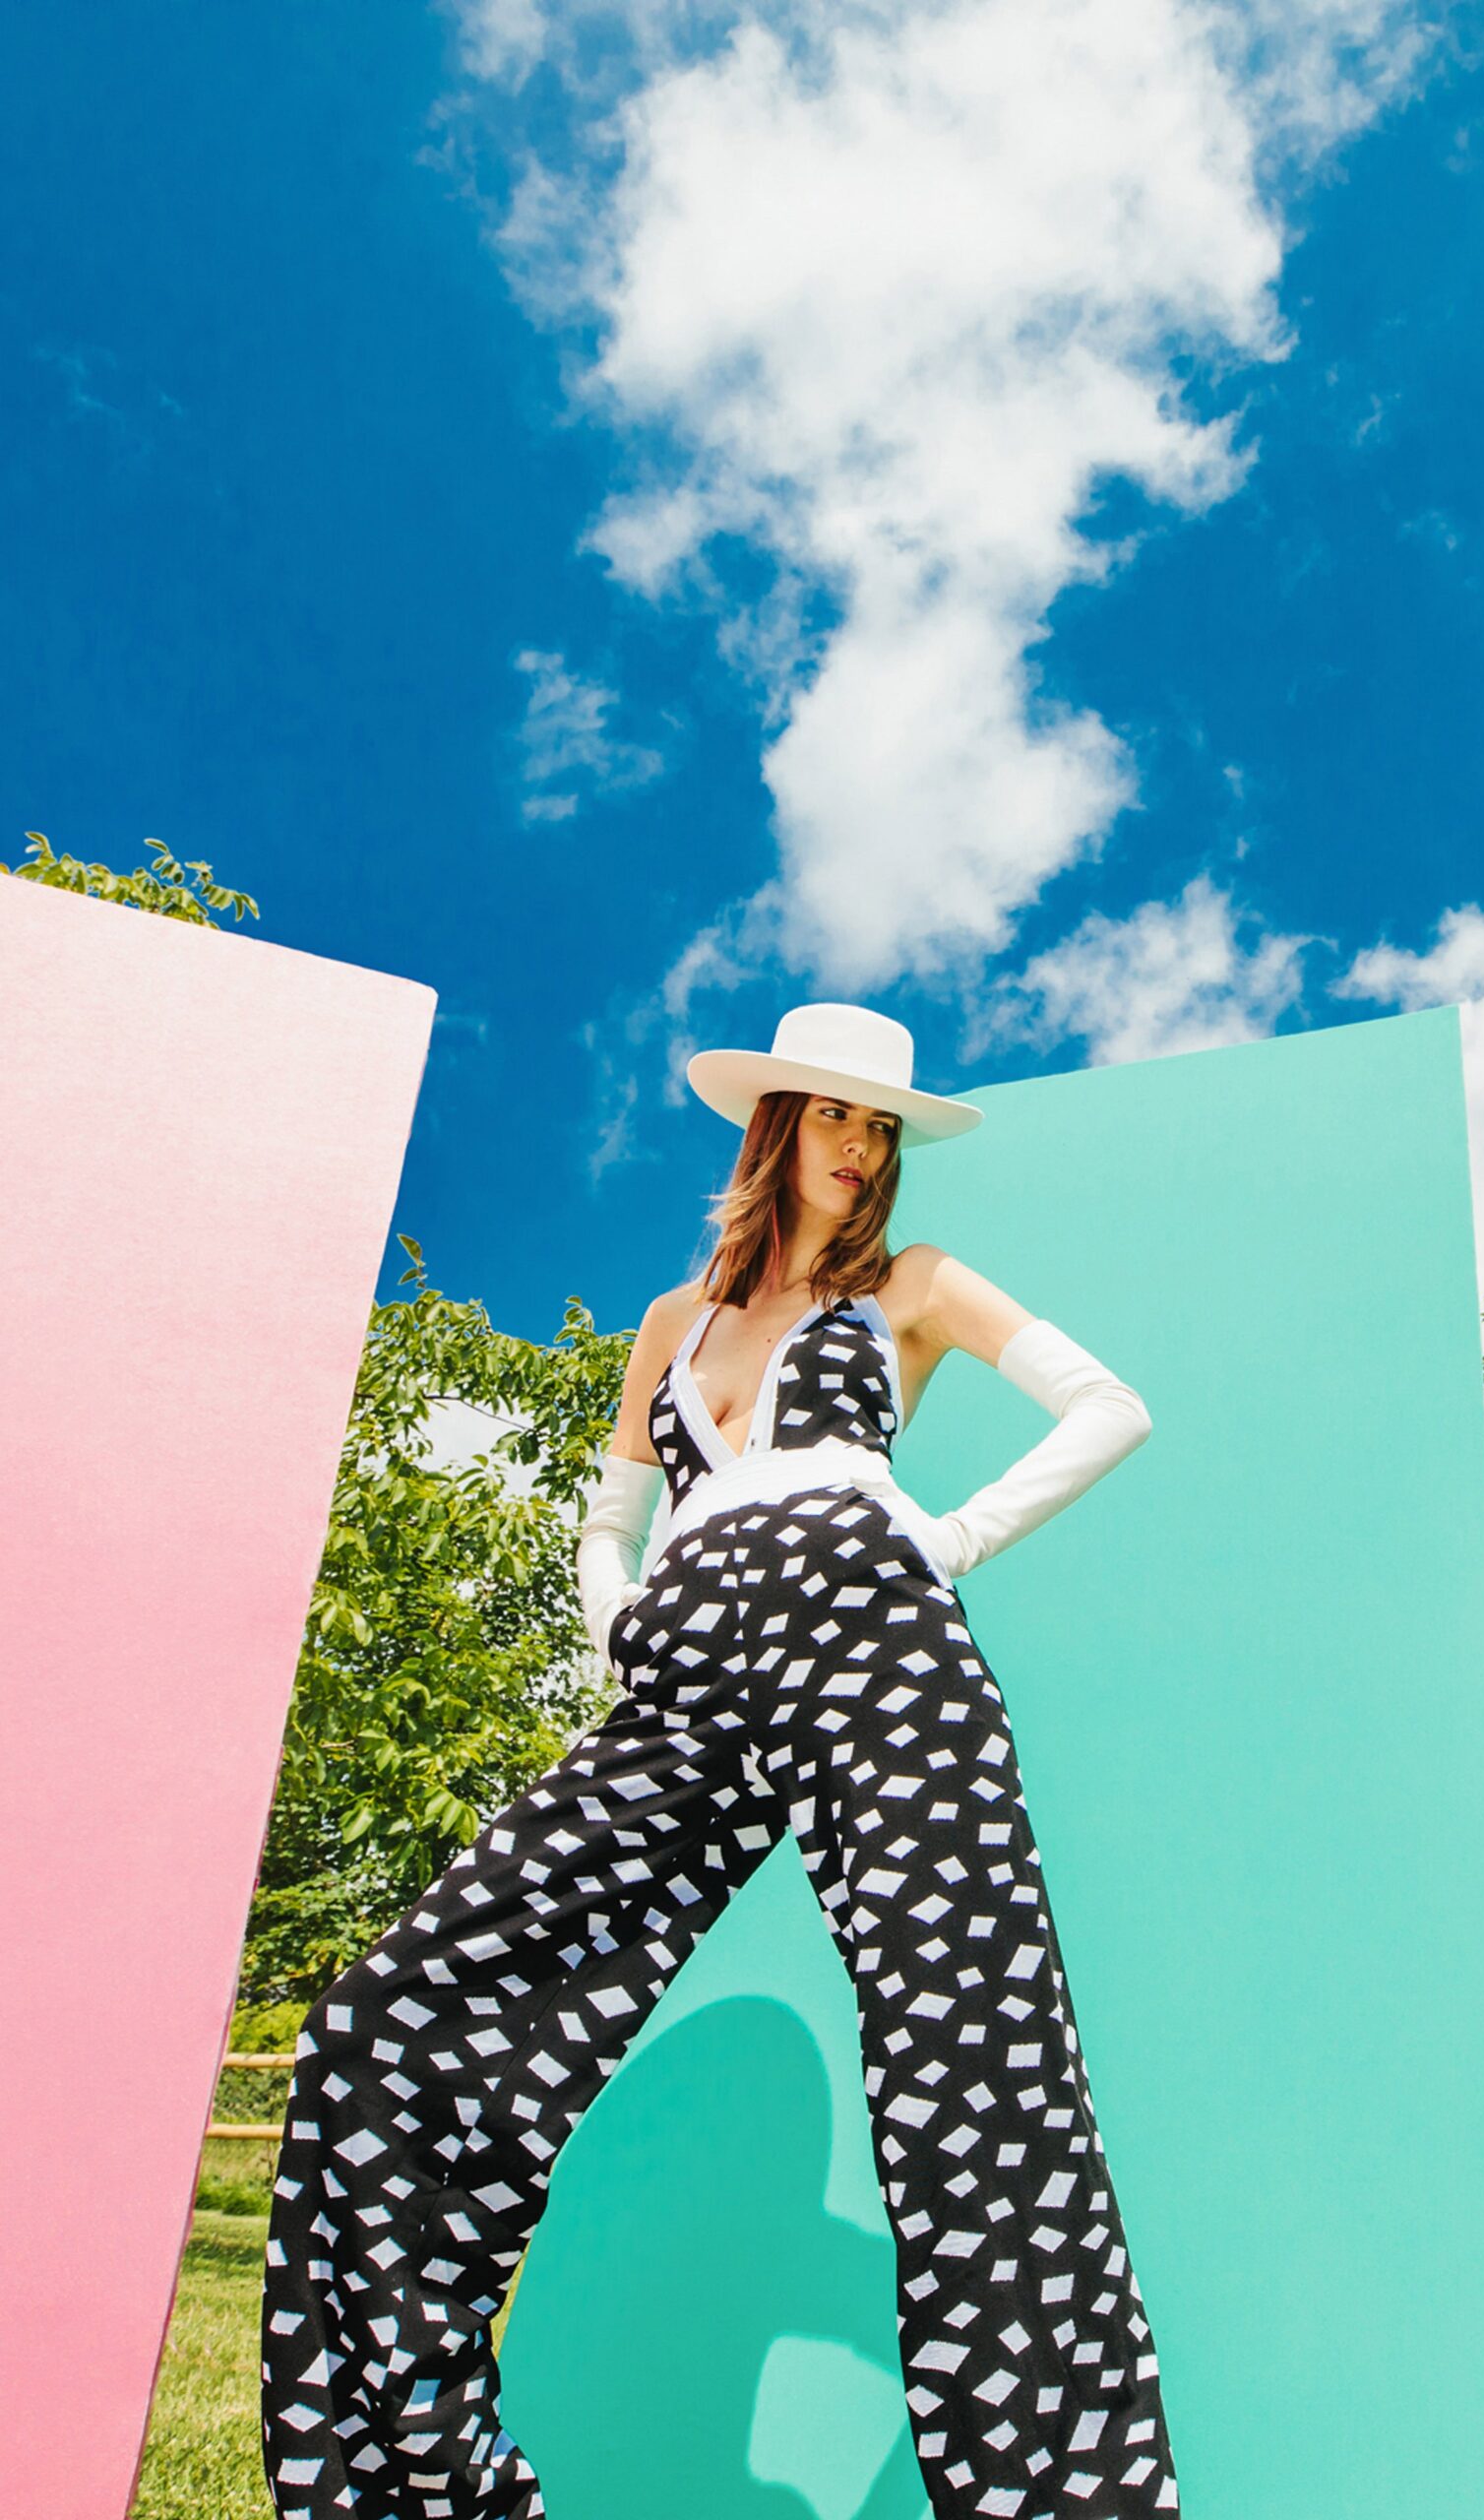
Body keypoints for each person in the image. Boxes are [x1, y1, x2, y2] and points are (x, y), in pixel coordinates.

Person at [260, 1001, 1179, 2520]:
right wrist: (622, 1631)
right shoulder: (671, 1325)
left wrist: (938, 1545)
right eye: (835, 1114)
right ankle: (411, 2488)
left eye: (880, 1124)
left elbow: (1110, 1406)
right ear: (777, 1125)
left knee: (979, 2071)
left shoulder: (915, 1287)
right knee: (389, 2022)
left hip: (877, 1649)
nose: (861, 1146)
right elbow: (611, 1520)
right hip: (688, 1679)